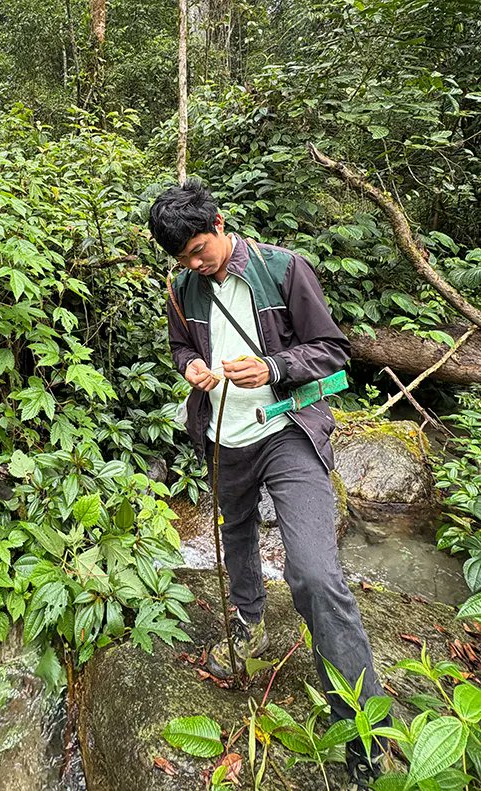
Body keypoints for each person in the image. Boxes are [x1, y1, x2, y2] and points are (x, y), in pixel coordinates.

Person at [149, 179, 386, 787]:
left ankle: (363, 728)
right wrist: (191, 366)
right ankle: (249, 622)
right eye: (183, 259)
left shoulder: (283, 268)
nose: (195, 265)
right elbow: (180, 345)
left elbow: (333, 350)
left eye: (200, 250)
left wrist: (274, 366)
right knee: (236, 531)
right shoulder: (181, 289)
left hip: (286, 431)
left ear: (220, 225)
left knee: (314, 572)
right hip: (222, 437)